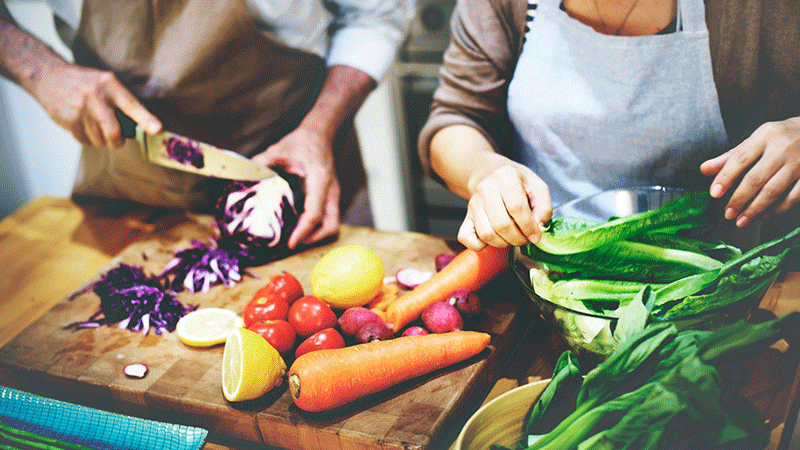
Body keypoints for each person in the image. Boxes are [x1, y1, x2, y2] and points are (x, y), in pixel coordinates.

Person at [0, 0, 414, 249]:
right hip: (127, 170)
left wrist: (319, 128)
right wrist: (39, 69)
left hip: (301, 159)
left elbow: (375, 14)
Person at [418, 0, 800, 251]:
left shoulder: (762, 10)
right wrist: (484, 169)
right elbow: (456, 118)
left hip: (716, 283)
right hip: (546, 277)